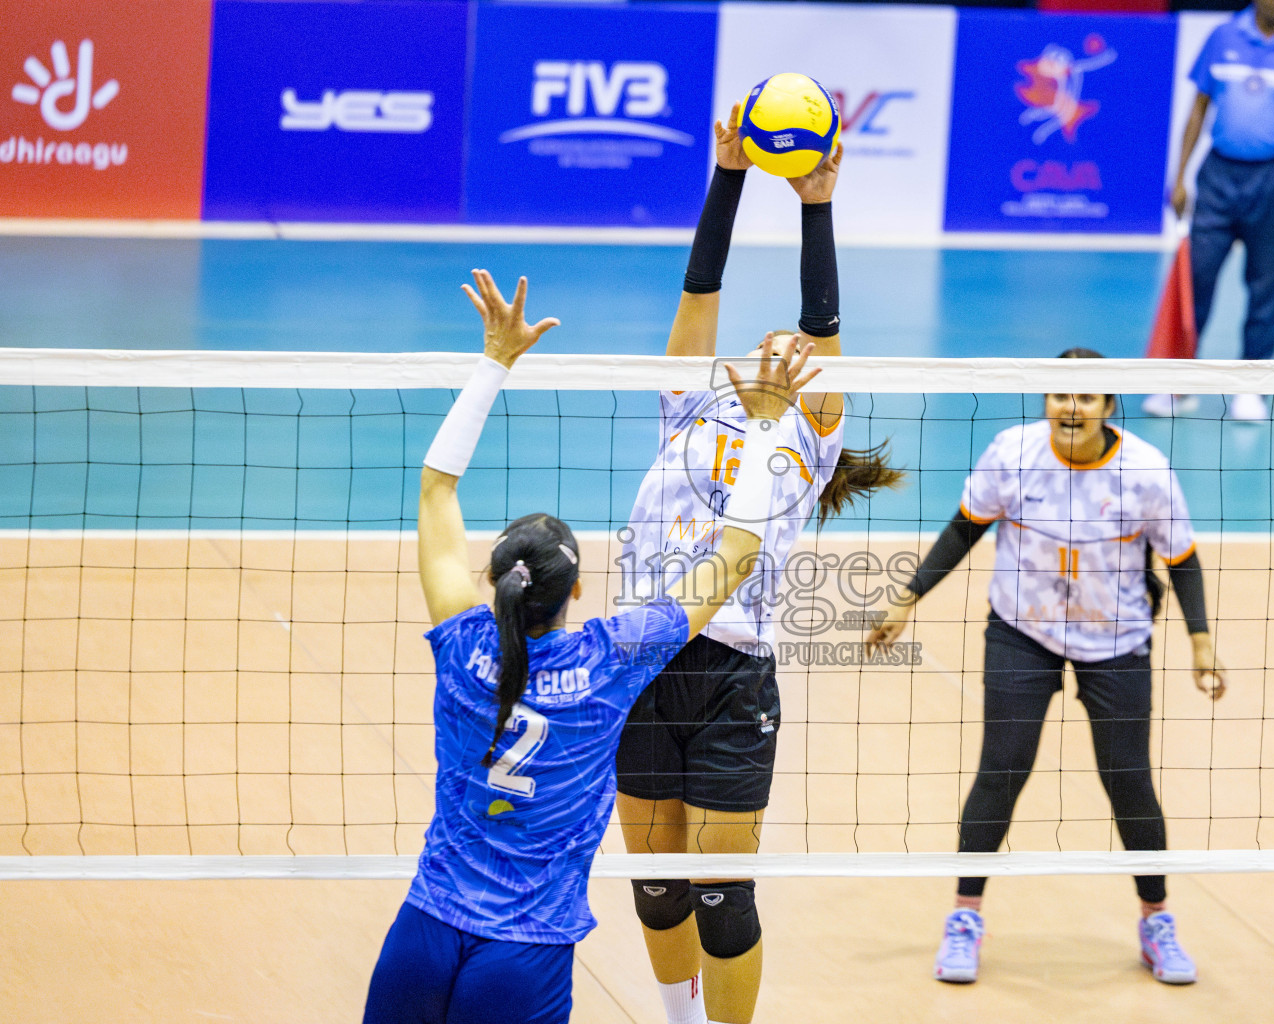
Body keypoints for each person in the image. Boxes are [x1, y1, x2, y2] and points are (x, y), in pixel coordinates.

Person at [361, 268, 823, 1024]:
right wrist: (769, 424)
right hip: (525, 955)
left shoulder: (462, 645)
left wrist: (493, 362)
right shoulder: (611, 664)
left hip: (425, 929)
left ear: (493, 581)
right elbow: (738, 551)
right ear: (576, 593)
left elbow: (435, 490)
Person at [615, 105, 901, 1024]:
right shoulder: (686, 405)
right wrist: (729, 175)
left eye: (798, 350)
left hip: (734, 672)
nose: (781, 346)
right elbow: (701, 287)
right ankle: (676, 1016)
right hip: (640, 658)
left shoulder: (811, 440)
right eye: (766, 341)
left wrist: (818, 207)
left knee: (719, 893)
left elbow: (823, 317)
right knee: (655, 885)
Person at [865, 349, 1227, 987]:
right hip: (1021, 632)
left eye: (1087, 397)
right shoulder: (1012, 452)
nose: (1072, 407)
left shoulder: (1145, 471)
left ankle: (1156, 920)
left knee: (1129, 782)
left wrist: (1200, 641)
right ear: (1046, 401)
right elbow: (963, 530)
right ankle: (965, 918)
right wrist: (907, 598)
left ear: (1109, 408)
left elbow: (1184, 561)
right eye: (1061, 395)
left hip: (1116, 639)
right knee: (1000, 771)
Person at [1146, 0, 1274, 422]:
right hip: (1218, 175)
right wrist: (1179, 177)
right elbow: (1198, 108)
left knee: (1265, 288)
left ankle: (1252, 386)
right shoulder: (1223, 36)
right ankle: (1177, 382)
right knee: (1196, 278)